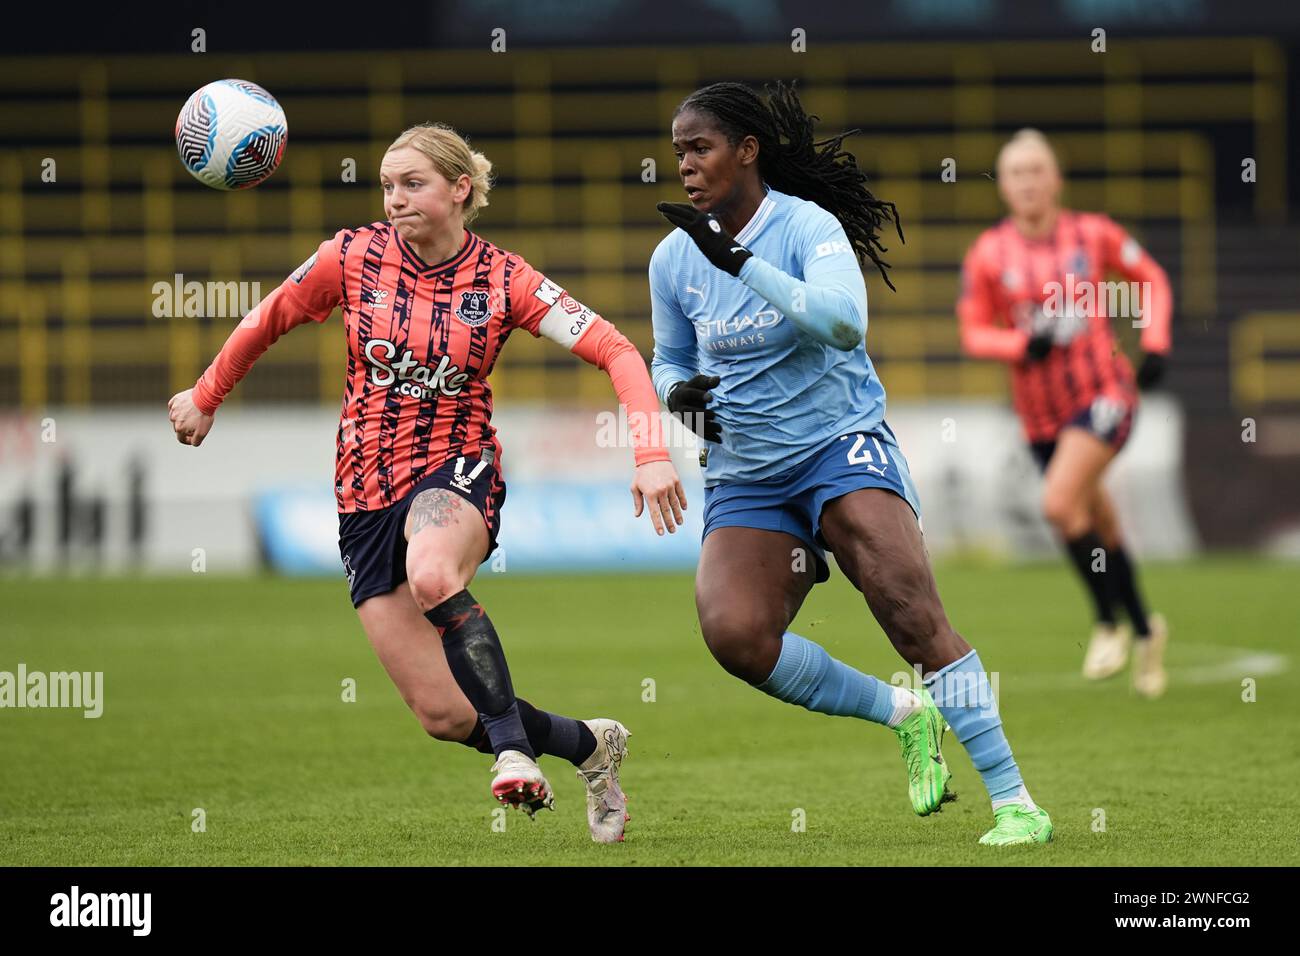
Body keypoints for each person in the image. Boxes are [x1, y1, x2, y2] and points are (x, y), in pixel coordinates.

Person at [168, 122, 687, 843]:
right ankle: (590, 748)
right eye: (386, 186)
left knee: (432, 571)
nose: (394, 200)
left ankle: (511, 751)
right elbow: (268, 318)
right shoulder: (348, 257)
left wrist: (650, 452)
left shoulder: (505, 279)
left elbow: (616, 349)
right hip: (362, 494)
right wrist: (205, 393)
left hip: (457, 466)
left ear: (459, 190)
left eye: (412, 184)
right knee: (443, 716)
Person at [650, 81, 1052, 845]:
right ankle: (903, 713)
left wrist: (738, 262)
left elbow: (841, 325)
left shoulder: (806, 227)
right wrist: (681, 395)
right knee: (735, 636)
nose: (685, 166)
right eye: (677, 152)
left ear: (747, 150)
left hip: (839, 446)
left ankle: (1016, 803)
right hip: (746, 472)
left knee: (907, 608)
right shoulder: (673, 258)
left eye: (699, 148)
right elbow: (667, 358)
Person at [958, 128, 1173, 697]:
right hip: (1041, 418)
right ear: (1003, 186)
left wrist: (1155, 343)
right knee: (1097, 520)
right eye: (1016, 173)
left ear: (1056, 178)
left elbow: (1150, 278)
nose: (1028, 182)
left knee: (1058, 503)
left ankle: (1108, 623)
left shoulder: (1092, 233)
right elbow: (974, 331)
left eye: (1037, 170)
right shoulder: (988, 254)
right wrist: (1016, 346)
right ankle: (1149, 627)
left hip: (1104, 395)